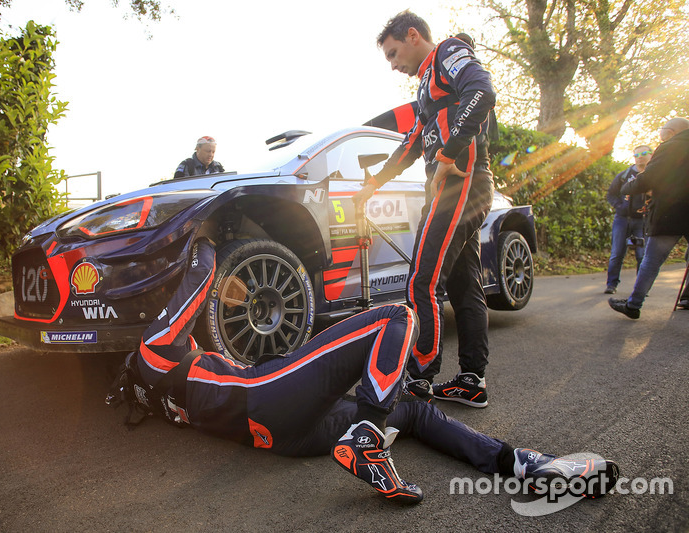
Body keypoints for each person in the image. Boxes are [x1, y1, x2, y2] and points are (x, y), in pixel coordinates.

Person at [107, 239, 619, 504]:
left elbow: (197, 323)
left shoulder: (161, 394)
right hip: (262, 395)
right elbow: (197, 281)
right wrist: (204, 236)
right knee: (396, 317)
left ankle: (527, 468)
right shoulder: (153, 352)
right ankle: (369, 434)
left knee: (414, 413)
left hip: (280, 438)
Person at [352, 11, 495, 407]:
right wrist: (375, 183)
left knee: (422, 281)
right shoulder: (426, 89)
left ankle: (418, 378)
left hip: (460, 181)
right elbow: (412, 143)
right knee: (466, 286)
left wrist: (449, 154)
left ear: (413, 36)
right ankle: (471, 381)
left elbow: (482, 92)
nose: (394, 65)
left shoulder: (449, 52)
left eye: (394, 53)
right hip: (455, 184)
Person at [609, 117, 689, 319]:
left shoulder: (670, 147)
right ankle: (687, 296)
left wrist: (628, 187)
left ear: (671, 132)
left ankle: (633, 305)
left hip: (670, 213)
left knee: (651, 260)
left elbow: (650, 177)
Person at [604, 146, 653, 294]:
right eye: (637, 154)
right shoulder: (624, 176)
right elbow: (611, 194)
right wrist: (619, 206)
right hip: (622, 220)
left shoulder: (654, 176)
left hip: (641, 222)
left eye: (644, 154)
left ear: (651, 155)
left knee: (641, 255)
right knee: (617, 253)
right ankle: (611, 285)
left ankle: (641, 288)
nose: (640, 157)